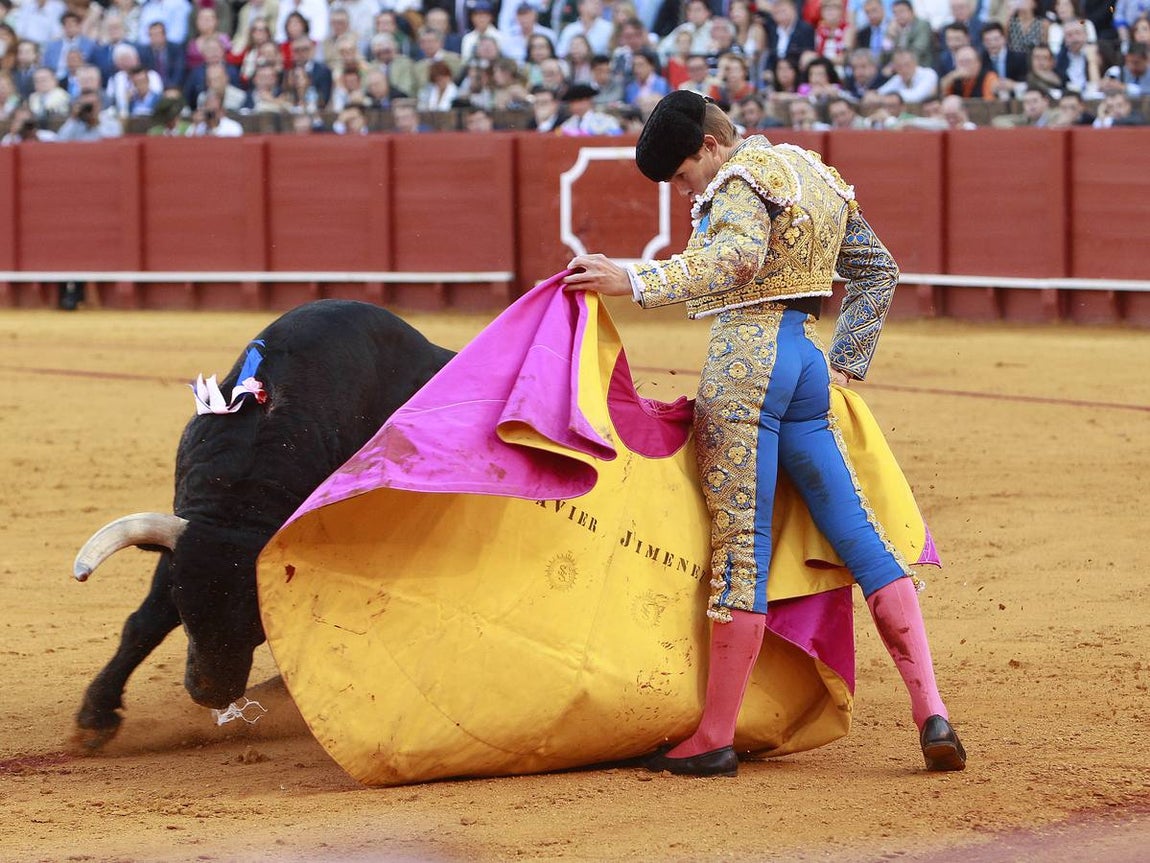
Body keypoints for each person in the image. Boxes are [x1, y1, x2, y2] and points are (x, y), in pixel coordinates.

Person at [562, 90, 966, 777]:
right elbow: (878, 270)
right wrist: (845, 361)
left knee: (740, 550)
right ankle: (932, 711)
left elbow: (737, 258)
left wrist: (634, 278)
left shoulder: (740, 177)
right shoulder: (813, 172)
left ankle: (714, 736)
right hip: (805, 362)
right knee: (861, 536)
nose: (688, 191)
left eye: (684, 175)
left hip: (746, 362)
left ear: (709, 146)